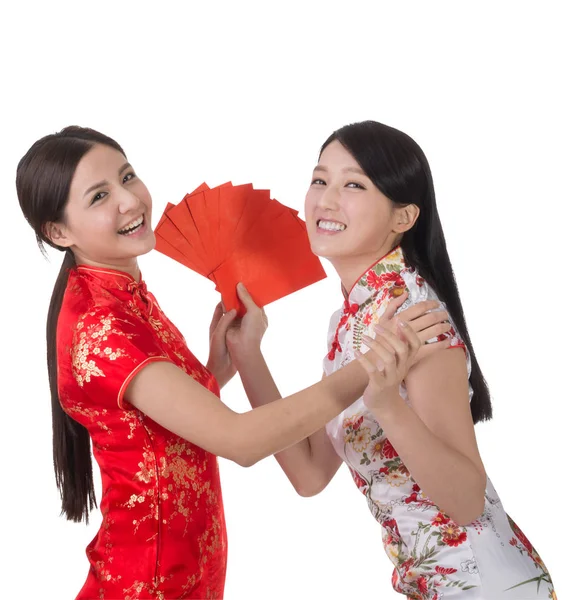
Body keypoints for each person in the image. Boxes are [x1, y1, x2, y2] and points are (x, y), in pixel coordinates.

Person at [15, 125, 450, 599]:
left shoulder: (123, 292)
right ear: (57, 231)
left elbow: (146, 420)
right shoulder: (101, 325)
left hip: (186, 571)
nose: (130, 201)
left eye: (128, 176)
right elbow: (240, 442)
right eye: (99, 196)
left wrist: (216, 369)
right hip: (149, 583)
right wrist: (369, 366)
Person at [231, 121, 556, 599]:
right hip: (431, 584)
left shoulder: (414, 315)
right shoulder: (351, 322)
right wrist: (247, 358)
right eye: (320, 179)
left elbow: (467, 499)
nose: (326, 199)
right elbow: (309, 474)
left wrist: (387, 403)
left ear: (402, 217)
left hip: (482, 583)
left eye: (354, 185)